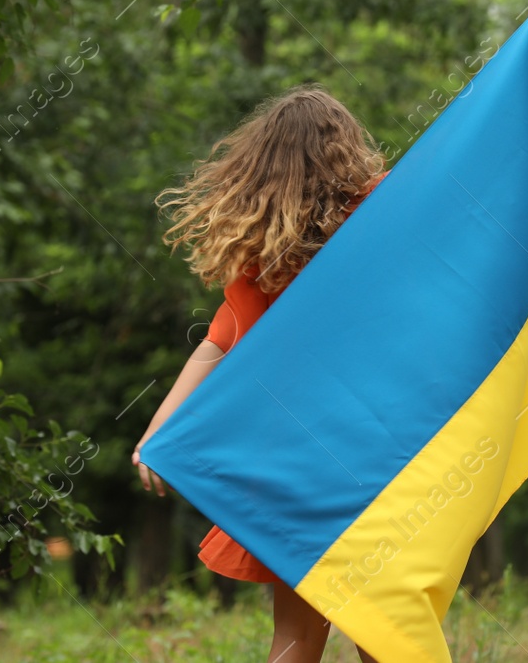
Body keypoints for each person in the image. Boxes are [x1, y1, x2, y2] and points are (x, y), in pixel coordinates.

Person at [132, 84, 386, 663]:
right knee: (385, 632)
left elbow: (214, 346)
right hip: (376, 456)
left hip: (293, 466)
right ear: (349, 152)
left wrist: (156, 432)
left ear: (264, 168)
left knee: (295, 640)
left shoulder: (259, 267)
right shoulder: (380, 227)